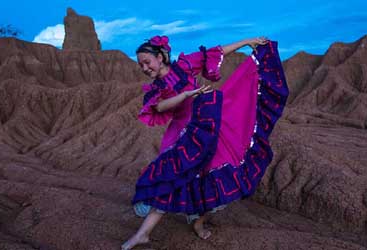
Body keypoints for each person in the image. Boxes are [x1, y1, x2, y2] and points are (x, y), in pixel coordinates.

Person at [121, 35, 289, 250]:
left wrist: (246, 42)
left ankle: (198, 221)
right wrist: (187, 95)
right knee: (172, 181)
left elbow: (216, 52)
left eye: (147, 62)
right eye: (140, 64)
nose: (144, 67)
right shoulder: (155, 88)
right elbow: (160, 107)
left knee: (212, 178)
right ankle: (142, 234)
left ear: (160, 57)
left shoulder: (184, 65)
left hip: (207, 124)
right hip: (182, 134)